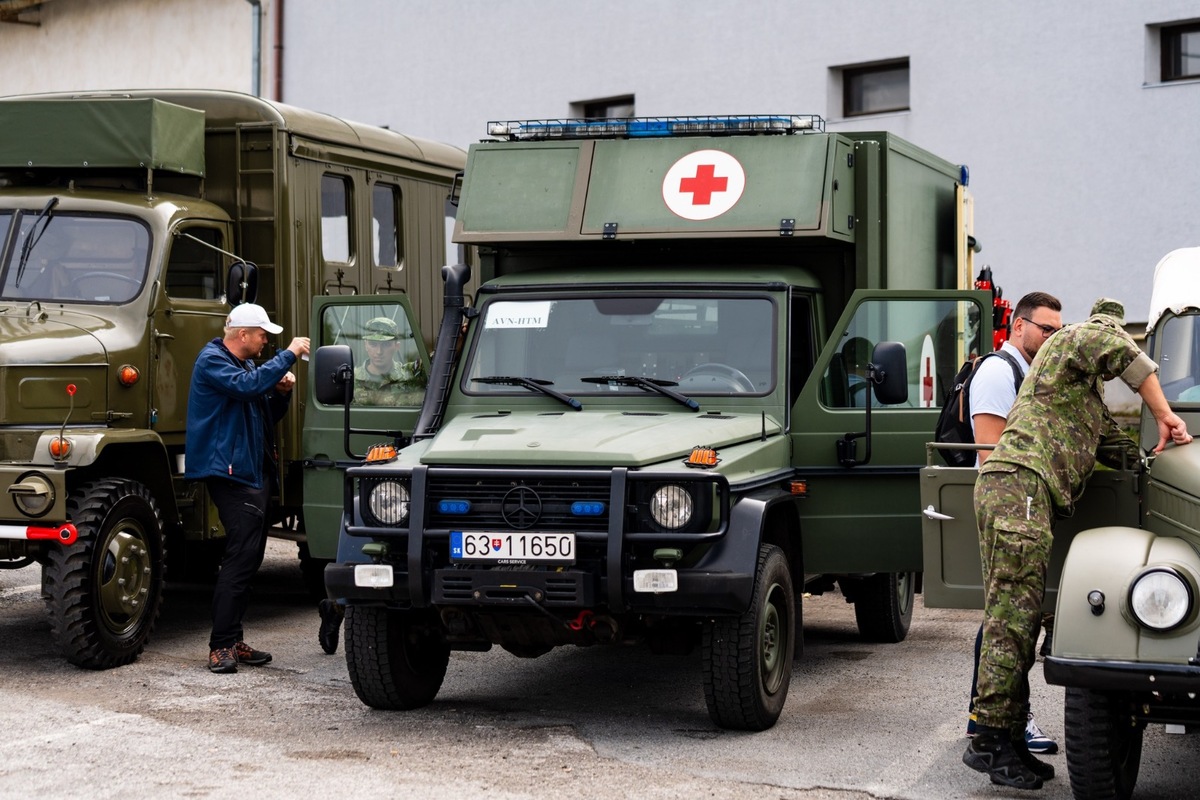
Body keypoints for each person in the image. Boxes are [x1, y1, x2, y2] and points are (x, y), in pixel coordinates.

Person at [963, 297, 1192, 790]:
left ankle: (1009, 738)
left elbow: (1121, 451)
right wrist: (1167, 416)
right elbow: (1120, 352)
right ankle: (988, 739)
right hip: (1018, 486)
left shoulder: (1081, 398)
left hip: (1023, 491)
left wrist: (1157, 456)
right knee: (1013, 619)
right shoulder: (1077, 338)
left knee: (1019, 619)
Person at [185, 303, 310, 673]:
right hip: (231, 475)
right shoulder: (213, 361)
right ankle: (221, 645)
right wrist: (288, 355)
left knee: (249, 558)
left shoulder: (246, 365)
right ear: (242, 335)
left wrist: (281, 395)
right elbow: (247, 388)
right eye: (261, 335)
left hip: (250, 472)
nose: (265, 341)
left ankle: (232, 638)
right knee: (240, 559)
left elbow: (261, 414)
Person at [965, 292, 1062, 754]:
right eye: (1045, 329)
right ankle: (999, 721)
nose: (1051, 338)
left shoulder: (1030, 372)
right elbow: (991, 450)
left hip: (1023, 506)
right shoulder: (997, 373)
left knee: (1007, 617)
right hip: (1008, 507)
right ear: (1018, 327)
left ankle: (992, 718)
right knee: (1007, 618)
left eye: (1058, 332)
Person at [353, 316, 426, 406]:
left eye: (386, 345)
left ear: (397, 346)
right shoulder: (351, 380)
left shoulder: (410, 375)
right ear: (365, 345)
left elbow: (440, 358)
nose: (379, 351)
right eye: (373, 344)